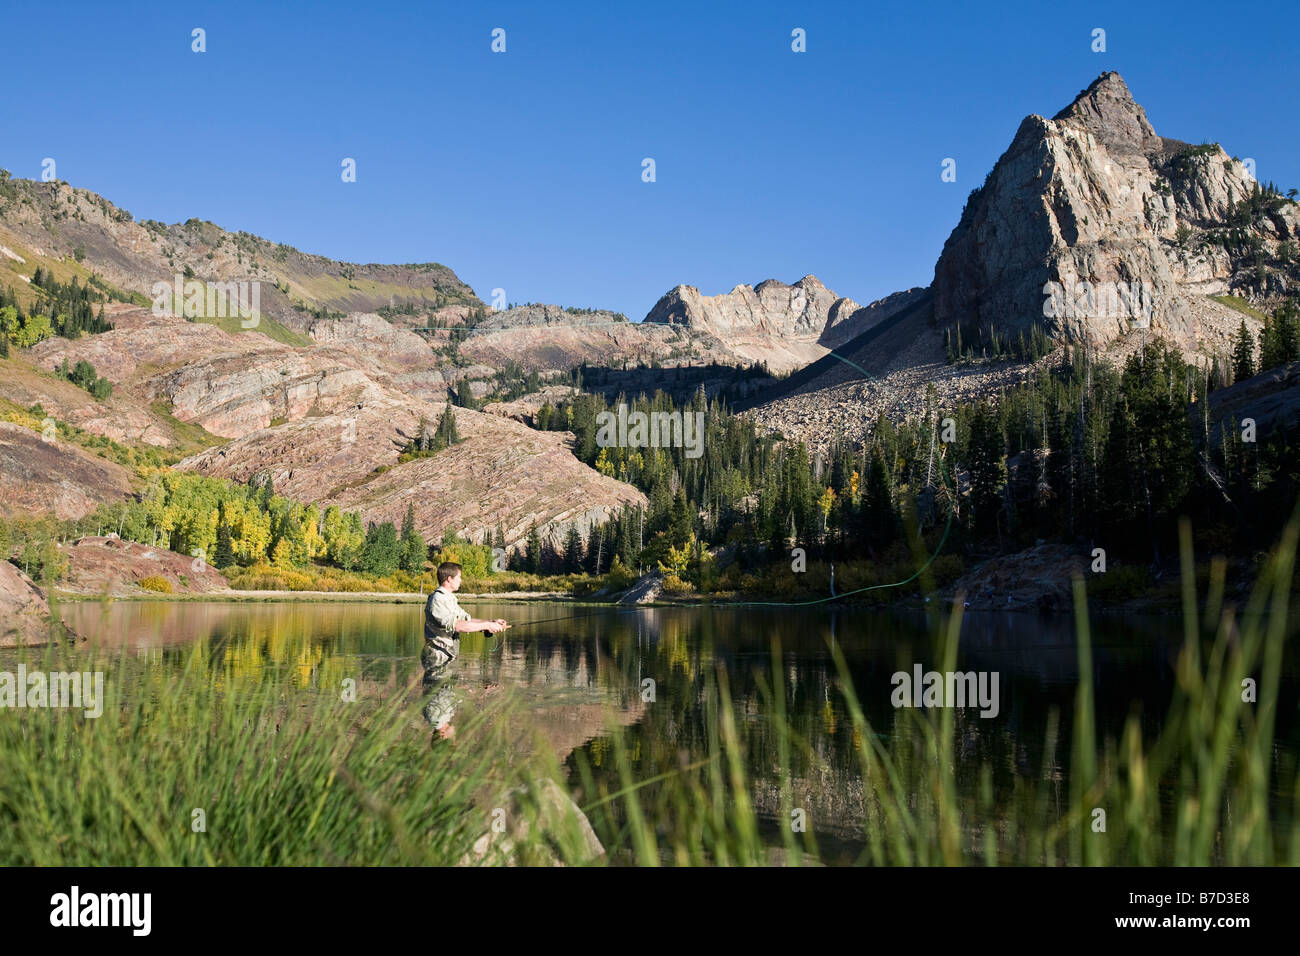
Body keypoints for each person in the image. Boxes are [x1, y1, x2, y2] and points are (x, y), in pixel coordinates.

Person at [422, 561, 508, 740]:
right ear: (449, 579)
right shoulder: (437, 600)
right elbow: (459, 626)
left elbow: (466, 620)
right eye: (459, 577)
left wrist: (491, 623)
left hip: (445, 658)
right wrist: (486, 625)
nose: (461, 581)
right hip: (438, 658)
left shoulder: (448, 599)